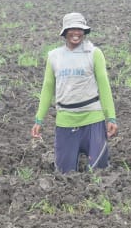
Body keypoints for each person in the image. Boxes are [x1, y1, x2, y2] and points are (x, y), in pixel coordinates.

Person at [31, 12, 118, 172]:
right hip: (65, 121)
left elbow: (104, 86)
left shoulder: (94, 53)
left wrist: (111, 117)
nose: (76, 33)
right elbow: (47, 88)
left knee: (99, 171)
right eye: (72, 29)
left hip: (93, 120)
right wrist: (39, 120)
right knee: (64, 174)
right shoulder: (54, 56)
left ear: (84, 31)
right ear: (64, 32)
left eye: (80, 29)